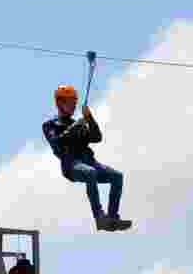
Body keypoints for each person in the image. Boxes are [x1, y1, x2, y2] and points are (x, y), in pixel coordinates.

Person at [43, 85, 132, 232]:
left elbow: (97, 137)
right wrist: (74, 128)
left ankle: (112, 218)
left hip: (90, 162)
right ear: (59, 103)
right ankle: (99, 217)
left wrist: (90, 118)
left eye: (74, 101)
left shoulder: (77, 124)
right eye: (69, 101)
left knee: (117, 176)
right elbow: (57, 142)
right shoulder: (50, 125)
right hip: (72, 165)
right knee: (90, 172)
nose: (73, 105)